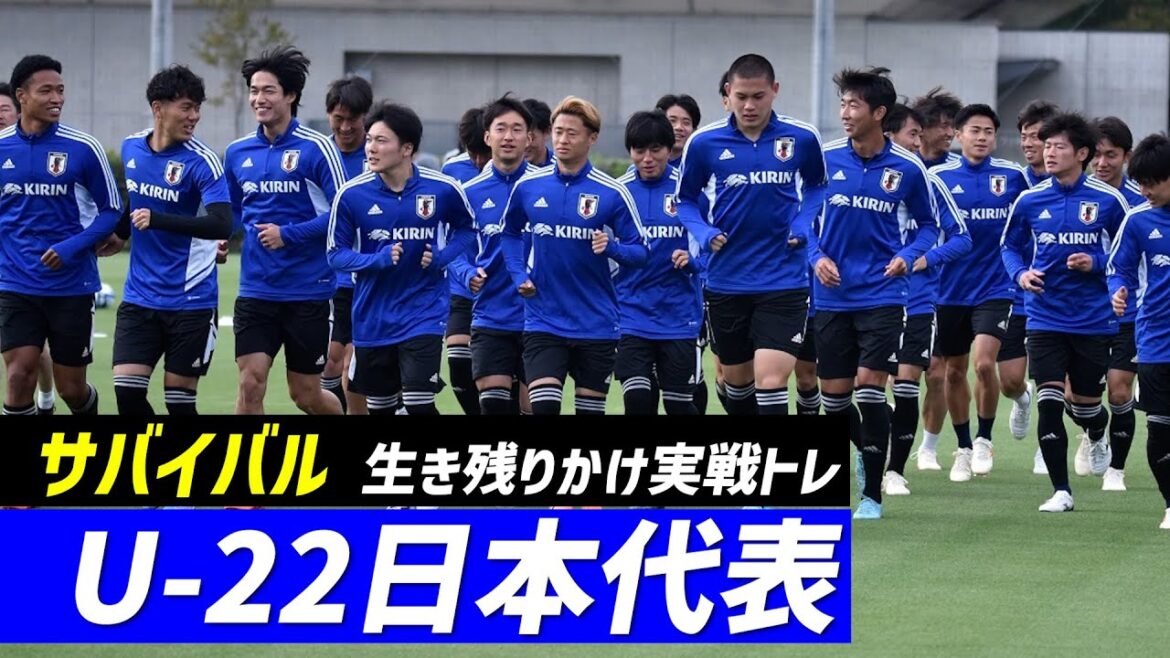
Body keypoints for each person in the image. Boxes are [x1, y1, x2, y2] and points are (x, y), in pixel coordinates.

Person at [813, 66, 939, 519]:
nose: (845, 113)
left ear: (879, 113)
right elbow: (800, 219)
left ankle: (871, 495)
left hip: (884, 296)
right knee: (834, 401)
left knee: (870, 389)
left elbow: (929, 227)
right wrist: (815, 256)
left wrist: (908, 255)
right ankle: (867, 457)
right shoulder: (824, 160)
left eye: (854, 105)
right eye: (843, 104)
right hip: (831, 296)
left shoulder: (908, 168)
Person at [675, 53, 827, 415]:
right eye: (741, 96)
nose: (749, 105)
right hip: (727, 280)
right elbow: (685, 200)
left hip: (784, 279)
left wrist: (802, 224)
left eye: (758, 96)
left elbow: (818, 186)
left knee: (770, 381)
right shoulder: (704, 142)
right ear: (728, 92)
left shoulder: (802, 137)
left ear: (774, 90)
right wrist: (704, 231)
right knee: (737, 387)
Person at [1001, 112, 1130, 513]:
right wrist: (1021, 274)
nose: (1048, 153)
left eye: (1058, 146)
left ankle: (1096, 431)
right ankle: (1061, 490)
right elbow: (1009, 247)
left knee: (1086, 404)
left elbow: (1126, 256)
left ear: (1082, 153)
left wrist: (1095, 264)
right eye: (1046, 146)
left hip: (1093, 319)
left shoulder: (1109, 201)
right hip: (1044, 315)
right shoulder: (1030, 199)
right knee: (1049, 399)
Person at [499, 96, 648, 414]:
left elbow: (640, 252)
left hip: (596, 323)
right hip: (543, 320)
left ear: (592, 138)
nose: (562, 140)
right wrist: (518, 274)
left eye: (571, 133)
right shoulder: (528, 186)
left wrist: (612, 248)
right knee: (543, 408)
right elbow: (509, 234)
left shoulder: (612, 192)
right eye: (558, 131)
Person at [327, 102, 476, 415]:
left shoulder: (443, 189)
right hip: (372, 318)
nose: (371, 148)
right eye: (369, 139)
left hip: (424, 313)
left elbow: (466, 230)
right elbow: (335, 255)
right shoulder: (351, 195)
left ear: (407, 148)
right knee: (381, 409)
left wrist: (442, 258)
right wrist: (375, 260)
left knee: (419, 404)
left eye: (381, 140)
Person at [223, 46, 346, 415]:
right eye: (254, 91)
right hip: (256, 288)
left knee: (305, 395)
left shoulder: (317, 148)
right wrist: (221, 236)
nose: (258, 99)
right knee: (250, 383)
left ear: (290, 95)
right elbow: (231, 208)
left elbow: (343, 214)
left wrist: (287, 234)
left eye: (268, 90)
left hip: (308, 290)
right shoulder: (237, 152)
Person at [0, 55, 121, 416]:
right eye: (46, 91)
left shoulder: (83, 147)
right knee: (18, 374)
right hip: (15, 282)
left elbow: (112, 210)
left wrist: (72, 247)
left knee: (71, 389)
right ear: (22, 95)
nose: (57, 98)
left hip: (72, 285)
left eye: (61, 90)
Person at [110, 65, 231, 415]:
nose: (194, 116)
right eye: (186, 107)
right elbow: (137, 197)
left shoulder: (202, 161)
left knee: (179, 404)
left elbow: (222, 224)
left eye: (197, 108)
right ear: (158, 108)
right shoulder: (132, 147)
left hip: (191, 300)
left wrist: (157, 220)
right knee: (127, 396)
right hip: (140, 296)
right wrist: (120, 233)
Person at [929, 104, 1030, 480]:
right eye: (975, 130)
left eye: (989, 131)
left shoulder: (1013, 176)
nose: (982, 137)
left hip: (996, 287)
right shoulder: (937, 178)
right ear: (958, 135)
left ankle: (985, 438)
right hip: (949, 290)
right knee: (954, 372)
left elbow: (1031, 222)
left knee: (984, 364)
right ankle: (963, 447)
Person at [880, 103, 970, 495]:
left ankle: (895, 470)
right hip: (864, 301)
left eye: (920, 134)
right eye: (911, 135)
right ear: (888, 135)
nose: (918, 143)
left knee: (909, 381)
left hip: (916, 301)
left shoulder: (929, 183)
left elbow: (961, 237)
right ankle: (872, 449)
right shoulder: (850, 176)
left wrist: (924, 258)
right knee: (856, 389)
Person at [615, 110, 703, 414]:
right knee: (638, 399)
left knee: (679, 406)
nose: (648, 158)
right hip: (630, 314)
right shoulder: (618, 192)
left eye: (656, 149)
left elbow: (714, 247)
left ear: (669, 148)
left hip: (679, 315)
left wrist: (693, 261)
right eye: (639, 150)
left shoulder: (689, 190)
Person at [455, 94, 536, 414]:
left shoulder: (546, 187)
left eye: (517, 129)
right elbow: (451, 250)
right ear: (487, 136)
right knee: (492, 405)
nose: (508, 136)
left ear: (529, 138)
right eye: (501, 129)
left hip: (539, 318)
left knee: (535, 406)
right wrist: (466, 273)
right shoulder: (468, 194)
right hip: (491, 314)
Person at [1106, 132, 1170, 529]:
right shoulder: (1137, 221)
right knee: (1160, 428)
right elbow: (1119, 269)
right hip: (1156, 341)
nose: (1144, 191)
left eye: (1152, 182)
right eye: (1140, 183)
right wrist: (1117, 291)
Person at [1089, 116, 1146, 489]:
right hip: (1081, 312)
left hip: (1130, 310)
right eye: (1096, 154)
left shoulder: (1145, 198)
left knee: (1120, 389)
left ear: (1127, 156)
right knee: (1075, 395)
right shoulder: (1076, 193)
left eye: (1111, 155)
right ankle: (1094, 432)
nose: (1102, 163)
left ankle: (1116, 469)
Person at [0, 80, 56, 414]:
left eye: (3, 109)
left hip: (33, 268)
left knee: (30, 352)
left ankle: (46, 397)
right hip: (7, 265)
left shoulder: (45, 150)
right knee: (18, 361)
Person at [1014, 100, 1060, 474]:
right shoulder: (1013, 182)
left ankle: (1053, 447)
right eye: (1025, 136)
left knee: (1067, 389)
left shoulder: (1079, 189)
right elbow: (1006, 243)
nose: (1030, 143)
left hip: (1068, 300)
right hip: (1015, 294)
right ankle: (1022, 400)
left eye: (1038, 136)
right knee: (1014, 381)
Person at [323, 74, 373, 414]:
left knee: (352, 367)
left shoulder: (379, 153)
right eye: (338, 118)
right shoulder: (318, 154)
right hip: (326, 278)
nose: (344, 127)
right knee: (329, 366)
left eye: (352, 119)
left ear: (365, 116)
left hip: (369, 277)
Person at [443, 105, 492, 415]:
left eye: (483, 154)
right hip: (463, 287)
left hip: (505, 291)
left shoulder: (521, 175)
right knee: (459, 367)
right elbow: (444, 234)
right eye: (472, 153)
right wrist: (464, 271)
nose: (478, 161)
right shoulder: (452, 171)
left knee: (503, 381)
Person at [912, 87, 962, 169]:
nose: (951, 133)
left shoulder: (960, 166)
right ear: (922, 128)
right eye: (944, 126)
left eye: (953, 126)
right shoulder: (906, 164)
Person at [655, 94, 701, 167]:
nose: (679, 127)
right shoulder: (645, 165)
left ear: (694, 130)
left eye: (686, 123)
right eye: (672, 121)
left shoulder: (699, 166)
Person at [522, 98, 554, 167]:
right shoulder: (505, 167)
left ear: (547, 132)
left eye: (531, 137)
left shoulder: (561, 167)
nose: (526, 145)